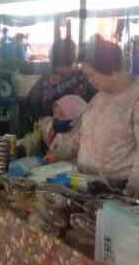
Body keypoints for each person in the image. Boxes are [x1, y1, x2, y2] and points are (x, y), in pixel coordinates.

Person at [45, 36, 139, 197]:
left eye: (92, 75)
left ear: (111, 69)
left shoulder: (135, 97)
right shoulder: (100, 96)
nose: (89, 81)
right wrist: (61, 152)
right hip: (87, 181)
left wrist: (136, 182)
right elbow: (83, 134)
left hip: (117, 188)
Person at [27, 38, 95, 120]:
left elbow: (31, 105)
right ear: (73, 56)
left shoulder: (44, 80)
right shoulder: (85, 77)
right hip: (82, 125)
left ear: (52, 55)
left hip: (50, 126)